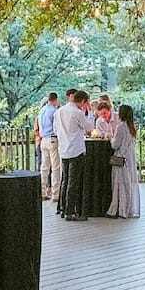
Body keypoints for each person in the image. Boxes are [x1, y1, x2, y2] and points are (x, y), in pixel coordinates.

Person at [54, 89, 93, 221]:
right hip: (76, 150)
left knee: (64, 180)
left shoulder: (59, 111)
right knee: (73, 182)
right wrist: (90, 112)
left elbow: (55, 129)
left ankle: (63, 209)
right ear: (83, 101)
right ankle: (70, 211)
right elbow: (89, 127)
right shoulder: (78, 112)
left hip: (63, 149)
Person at [106, 104, 141, 218]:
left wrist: (110, 137)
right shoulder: (132, 126)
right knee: (128, 183)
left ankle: (119, 208)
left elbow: (115, 145)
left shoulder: (120, 127)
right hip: (129, 157)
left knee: (119, 183)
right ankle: (128, 208)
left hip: (120, 158)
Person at [37, 92, 62, 201]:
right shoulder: (54, 111)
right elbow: (57, 128)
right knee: (55, 167)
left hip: (43, 140)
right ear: (55, 100)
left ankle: (42, 192)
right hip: (52, 139)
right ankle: (55, 194)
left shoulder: (41, 111)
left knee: (44, 167)